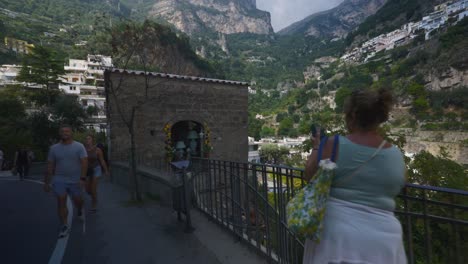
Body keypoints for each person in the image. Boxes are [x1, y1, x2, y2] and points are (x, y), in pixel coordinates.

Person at [303, 89, 407, 263]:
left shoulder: (333, 144)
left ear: (351, 116)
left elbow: (310, 175)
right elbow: (399, 185)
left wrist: (316, 147)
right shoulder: (395, 155)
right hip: (385, 241)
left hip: (338, 237)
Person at [44, 125, 88, 238]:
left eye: (67, 131)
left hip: (76, 179)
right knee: (61, 199)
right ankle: (64, 225)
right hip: (59, 179)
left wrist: (82, 178)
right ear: (59, 133)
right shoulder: (54, 148)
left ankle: (79, 209)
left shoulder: (79, 146)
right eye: (62, 131)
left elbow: (84, 163)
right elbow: (50, 165)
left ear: (71, 133)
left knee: (78, 200)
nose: (65, 133)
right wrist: (47, 182)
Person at [84, 135, 109, 213]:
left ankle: (94, 204)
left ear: (92, 140)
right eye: (86, 139)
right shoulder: (83, 150)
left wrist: (106, 171)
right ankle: (94, 197)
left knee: (93, 189)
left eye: (89, 139)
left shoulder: (98, 150)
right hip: (87, 170)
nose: (87, 140)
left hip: (96, 169)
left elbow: (102, 161)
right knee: (88, 190)